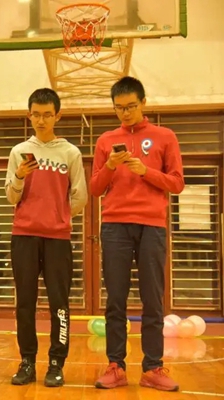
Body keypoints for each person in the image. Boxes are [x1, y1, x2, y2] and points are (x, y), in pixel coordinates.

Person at [91, 77, 184, 392]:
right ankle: (115, 366)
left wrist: (147, 172)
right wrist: (110, 166)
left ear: (143, 102)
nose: (126, 113)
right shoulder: (106, 140)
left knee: (152, 300)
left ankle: (153, 367)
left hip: (152, 225)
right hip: (114, 225)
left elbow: (177, 183)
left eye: (131, 106)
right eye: (119, 108)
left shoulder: (165, 136)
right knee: (115, 300)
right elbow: (95, 188)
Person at [5, 88, 87, 387]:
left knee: (59, 303)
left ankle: (56, 362)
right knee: (25, 303)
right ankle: (27, 361)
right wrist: (20, 176)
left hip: (57, 239)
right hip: (24, 236)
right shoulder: (18, 151)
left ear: (57, 116)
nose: (41, 120)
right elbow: (11, 197)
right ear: (29, 115)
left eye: (47, 115)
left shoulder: (70, 153)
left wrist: (58, 217)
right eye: (36, 114)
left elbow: (80, 196)